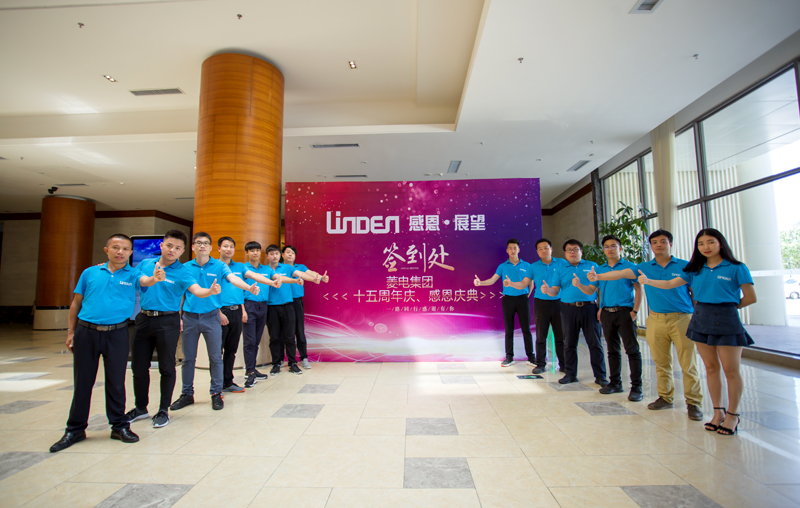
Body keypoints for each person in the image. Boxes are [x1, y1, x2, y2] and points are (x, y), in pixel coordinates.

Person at [50, 234, 166, 452]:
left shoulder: (133, 274)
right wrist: (71, 332)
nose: (120, 252)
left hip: (117, 333)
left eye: (125, 249)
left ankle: (119, 426)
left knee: (116, 382)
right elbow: (76, 303)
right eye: (115, 247)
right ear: (106, 250)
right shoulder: (90, 273)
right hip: (86, 332)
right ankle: (75, 429)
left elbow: (146, 281)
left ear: (131, 252)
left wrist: (155, 278)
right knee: (83, 382)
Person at [638, 228, 756, 435]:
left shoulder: (736, 267)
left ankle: (732, 415)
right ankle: (718, 412)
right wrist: (648, 281)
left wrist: (728, 306)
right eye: (701, 244)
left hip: (727, 319)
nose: (706, 247)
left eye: (710, 242)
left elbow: (750, 297)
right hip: (701, 319)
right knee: (710, 368)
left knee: (730, 370)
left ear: (720, 243)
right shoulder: (695, 269)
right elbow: (669, 284)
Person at [588, 230, 703, 421]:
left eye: (663, 241)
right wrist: (598, 277)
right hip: (656, 319)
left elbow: (695, 294)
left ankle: (694, 403)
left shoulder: (685, 266)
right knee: (661, 362)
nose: (659, 245)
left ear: (670, 244)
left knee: (687, 363)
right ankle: (665, 397)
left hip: (682, 318)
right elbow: (620, 273)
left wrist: (697, 317)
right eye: (655, 242)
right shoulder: (644, 268)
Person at [125, 230, 224, 429]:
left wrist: (210, 291)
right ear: (162, 245)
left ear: (182, 251)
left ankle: (163, 410)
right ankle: (141, 407)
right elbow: (136, 279)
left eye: (178, 248)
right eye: (169, 245)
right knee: (139, 366)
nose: (172, 250)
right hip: (144, 318)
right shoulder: (146, 264)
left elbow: (196, 290)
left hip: (167, 321)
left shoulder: (183, 271)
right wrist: (153, 278)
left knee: (167, 367)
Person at [169, 232, 261, 412]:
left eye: (205, 243)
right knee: (188, 359)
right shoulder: (185, 267)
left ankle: (216, 393)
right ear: (193, 247)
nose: (202, 246)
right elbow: (180, 295)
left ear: (211, 247)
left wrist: (248, 287)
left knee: (216, 357)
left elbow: (233, 278)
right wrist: (178, 316)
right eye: (198, 243)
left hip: (211, 317)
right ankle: (187, 393)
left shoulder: (219, 266)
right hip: (190, 317)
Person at [538, 239, 608, 386]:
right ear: (565, 253)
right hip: (568, 309)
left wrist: (601, 307)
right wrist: (547, 290)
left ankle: (600, 376)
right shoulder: (561, 269)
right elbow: (555, 291)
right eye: (569, 250)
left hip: (589, 308)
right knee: (569, 343)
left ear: (581, 251)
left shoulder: (592, 266)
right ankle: (570, 374)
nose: (572, 252)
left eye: (575, 249)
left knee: (594, 343)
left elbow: (596, 289)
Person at [217, 236, 281, 392]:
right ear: (219, 248)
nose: (228, 249)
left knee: (235, 348)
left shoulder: (239, 267)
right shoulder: (214, 267)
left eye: (231, 246)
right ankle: (221, 383)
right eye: (225, 246)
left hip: (247, 308)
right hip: (226, 310)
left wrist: (272, 282)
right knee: (220, 350)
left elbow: (255, 277)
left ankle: (231, 380)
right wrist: (221, 311)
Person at [590, 235, 643, 401]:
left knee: (632, 350)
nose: (610, 249)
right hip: (607, 313)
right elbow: (598, 290)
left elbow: (639, 289)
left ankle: (636, 387)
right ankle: (615, 383)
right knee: (612, 350)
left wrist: (635, 311)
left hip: (625, 312)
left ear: (620, 248)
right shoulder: (600, 269)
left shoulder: (630, 267)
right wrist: (601, 308)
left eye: (613, 246)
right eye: (606, 246)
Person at [505, 238, 567, 373]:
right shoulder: (533, 267)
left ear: (551, 249)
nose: (543, 251)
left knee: (560, 336)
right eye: (540, 249)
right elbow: (524, 283)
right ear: (537, 251)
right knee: (541, 336)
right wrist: (511, 284)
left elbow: (568, 279)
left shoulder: (562, 263)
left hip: (559, 302)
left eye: (546, 248)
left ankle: (564, 364)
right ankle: (540, 364)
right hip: (541, 303)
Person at [474, 238, 535, 367]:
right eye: (510, 248)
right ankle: (509, 357)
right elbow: (492, 280)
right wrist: (480, 283)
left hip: (523, 299)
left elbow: (531, 284)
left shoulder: (527, 266)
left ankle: (531, 357)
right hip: (508, 300)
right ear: (507, 250)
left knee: (526, 329)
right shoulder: (502, 266)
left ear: (519, 249)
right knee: (509, 329)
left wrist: (526, 296)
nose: (513, 250)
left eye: (515, 248)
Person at [265, 244, 315, 376]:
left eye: (276, 253)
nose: (274, 256)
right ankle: (276, 363)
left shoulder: (287, 267)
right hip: (271, 307)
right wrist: (294, 281)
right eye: (272, 254)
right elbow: (280, 279)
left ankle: (293, 363)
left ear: (279, 255)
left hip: (288, 306)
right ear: (267, 256)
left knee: (290, 336)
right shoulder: (264, 270)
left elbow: (301, 273)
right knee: (274, 337)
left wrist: (314, 278)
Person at [281, 245, 329, 369]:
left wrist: (321, 278)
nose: (290, 254)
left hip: (296, 302)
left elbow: (310, 273)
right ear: (282, 255)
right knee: (283, 331)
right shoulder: (279, 268)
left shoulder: (300, 267)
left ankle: (303, 357)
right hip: (282, 302)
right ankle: (281, 358)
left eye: (292, 253)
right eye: (288, 252)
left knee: (299, 330)